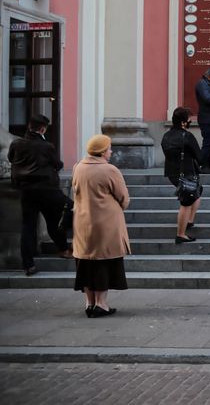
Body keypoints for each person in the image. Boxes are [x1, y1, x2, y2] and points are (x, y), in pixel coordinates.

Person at [71, 135, 131, 318]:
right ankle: (101, 303)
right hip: (106, 222)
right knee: (104, 262)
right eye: (109, 148)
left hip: (82, 221)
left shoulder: (78, 167)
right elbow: (123, 198)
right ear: (103, 151)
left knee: (86, 262)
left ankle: (89, 303)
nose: (111, 151)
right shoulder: (109, 170)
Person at [7, 114, 71, 275]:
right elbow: (58, 164)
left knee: (28, 226)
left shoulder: (16, 144)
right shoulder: (46, 146)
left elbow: (11, 159)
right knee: (63, 213)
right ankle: (64, 249)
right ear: (43, 129)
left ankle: (28, 264)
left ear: (29, 127)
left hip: (26, 191)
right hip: (47, 189)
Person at [160, 107, 200, 243]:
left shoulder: (166, 136)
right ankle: (181, 233)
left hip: (172, 172)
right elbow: (198, 155)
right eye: (189, 119)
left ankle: (189, 220)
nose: (190, 121)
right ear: (183, 122)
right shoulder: (187, 136)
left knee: (196, 192)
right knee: (187, 200)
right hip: (187, 172)